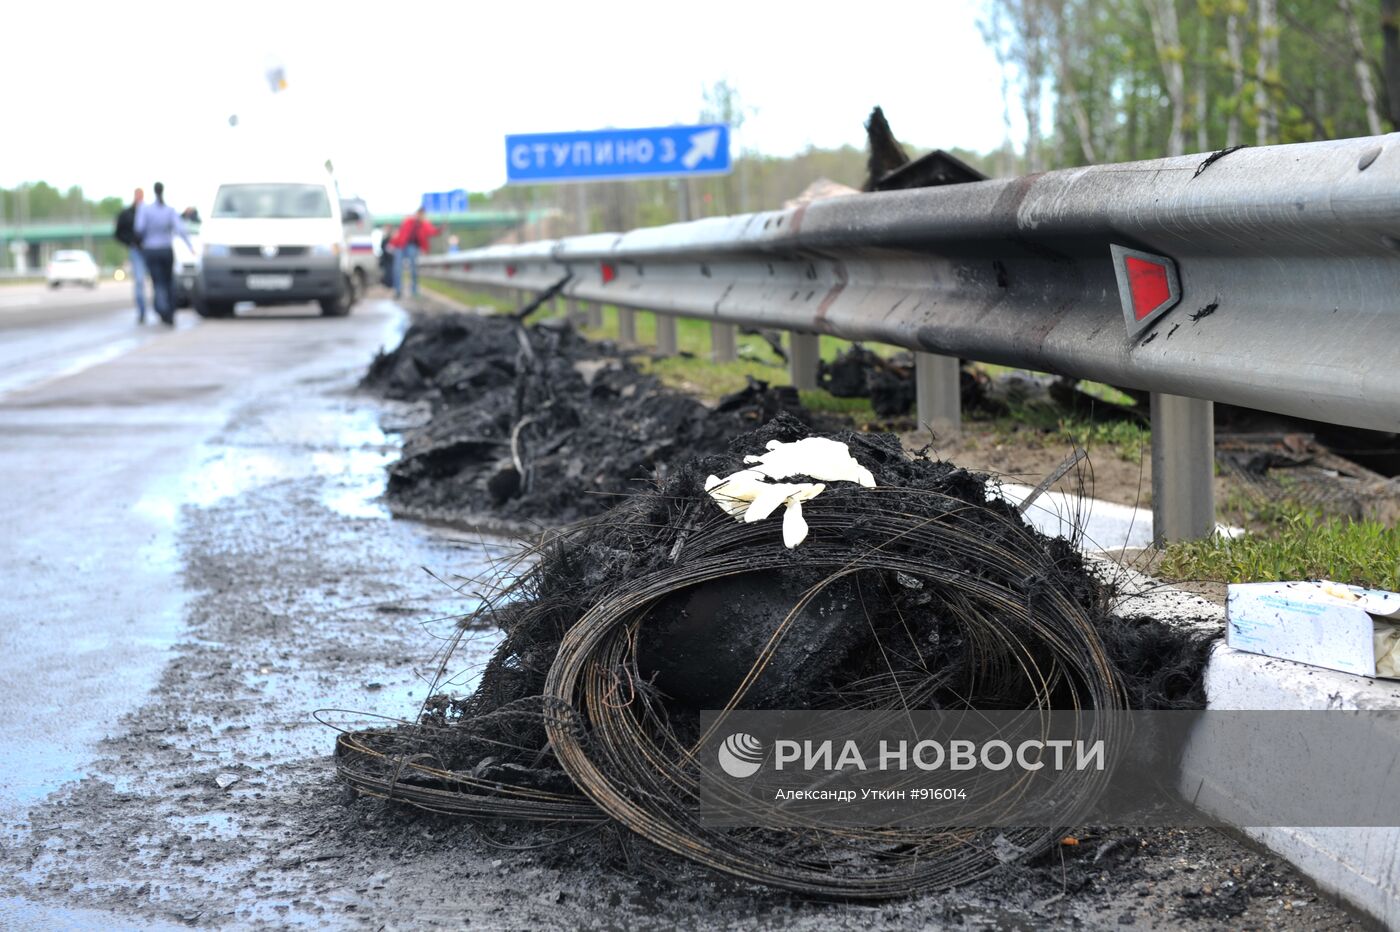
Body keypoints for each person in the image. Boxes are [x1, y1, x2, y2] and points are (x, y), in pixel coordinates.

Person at [134, 181, 193, 326]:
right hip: (166, 250)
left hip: (151, 250)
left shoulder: (145, 210)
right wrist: (190, 246)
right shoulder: (169, 210)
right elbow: (181, 230)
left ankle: (162, 309)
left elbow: (139, 228)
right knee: (168, 282)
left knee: (158, 282)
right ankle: (169, 311)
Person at [113, 187, 149, 323]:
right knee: (139, 281)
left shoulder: (148, 212)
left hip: (151, 249)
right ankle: (142, 311)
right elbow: (117, 233)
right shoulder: (127, 214)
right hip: (136, 251)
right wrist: (130, 242)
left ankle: (161, 307)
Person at [390, 208, 441, 299]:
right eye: (419, 214)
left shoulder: (424, 224)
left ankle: (414, 290)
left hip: (412, 246)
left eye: (422, 214)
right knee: (397, 268)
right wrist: (393, 244)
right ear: (416, 214)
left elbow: (431, 231)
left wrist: (439, 229)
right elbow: (400, 234)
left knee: (413, 268)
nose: (420, 216)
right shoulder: (408, 221)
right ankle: (398, 290)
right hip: (401, 246)